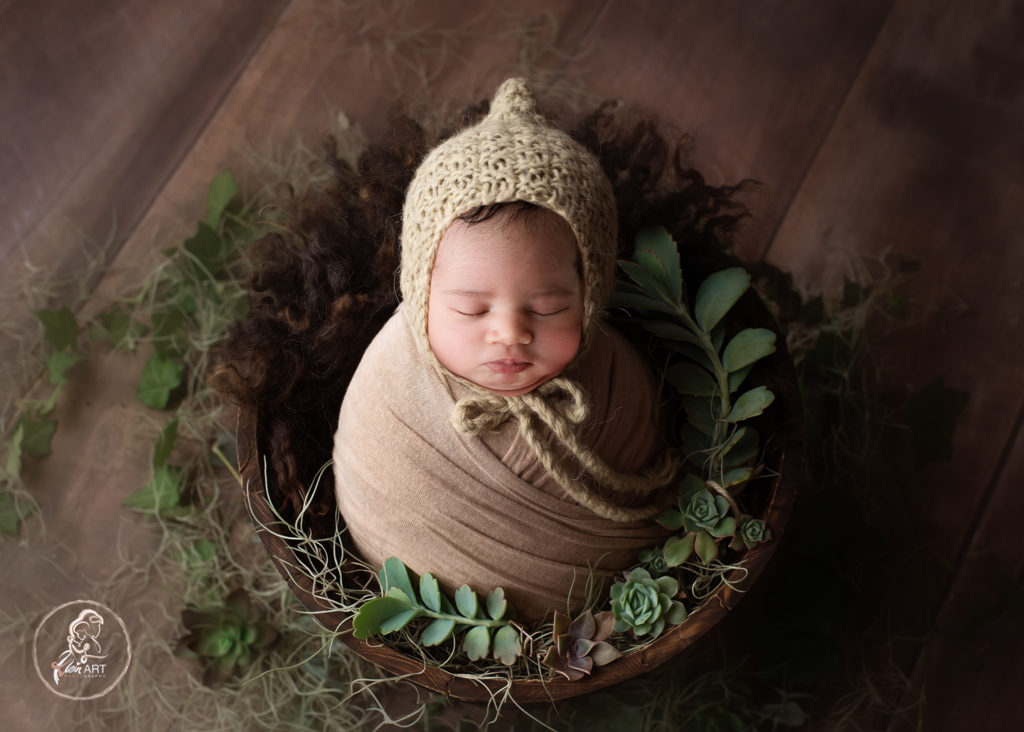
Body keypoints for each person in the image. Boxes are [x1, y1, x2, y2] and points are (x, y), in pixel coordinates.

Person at [332, 79, 678, 621]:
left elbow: (653, 492)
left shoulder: (615, 388)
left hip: (580, 636)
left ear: (591, 297)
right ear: (420, 293)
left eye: (546, 309)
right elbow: (365, 475)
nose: (510, 333)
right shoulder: (388, 386)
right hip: (416, 614)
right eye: (471, 310)